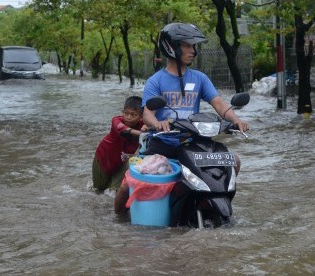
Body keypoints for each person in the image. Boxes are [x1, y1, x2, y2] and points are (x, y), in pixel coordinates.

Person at [142, 23, 249, 172]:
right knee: (136, 180)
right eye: (187, 46)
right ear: (171, 47)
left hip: (195, 142)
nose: (193, 51)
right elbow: (147, 114)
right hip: (163, 143)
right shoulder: (155, 81)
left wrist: (235, 120)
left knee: (233, 162)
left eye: (193, 47)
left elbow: (218, 103)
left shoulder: (200, 78)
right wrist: (158, 123)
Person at [92, 96, 147, 212]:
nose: (128, 117)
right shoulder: (117, 121)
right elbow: (125, 130)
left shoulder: (144, 125)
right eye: (126, 113)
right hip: (103, 159)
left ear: (141, 116)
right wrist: (142, 134)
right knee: (98, 190)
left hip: (122, 161)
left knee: (113, 192)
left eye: (133, 114)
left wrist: (149, 130)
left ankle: (110, 214)